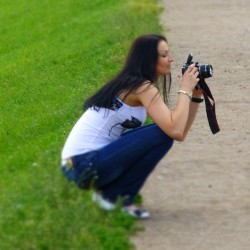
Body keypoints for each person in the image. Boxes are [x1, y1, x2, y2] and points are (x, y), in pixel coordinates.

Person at [61, 34, 203, 219]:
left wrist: (195, 95)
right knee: (162, 134)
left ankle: (112, 194)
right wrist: (184, 88)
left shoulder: (137, 84)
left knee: (163, 135)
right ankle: (114, 197)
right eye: (164, 55)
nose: (171, 59)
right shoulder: (140, 86)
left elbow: (180, 132)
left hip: (85, 164)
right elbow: (174, 130)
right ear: (148, 59)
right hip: (82, 165)